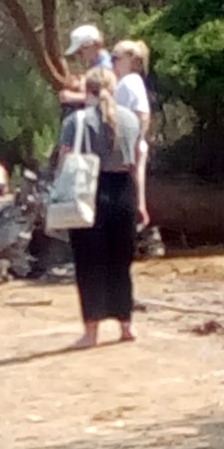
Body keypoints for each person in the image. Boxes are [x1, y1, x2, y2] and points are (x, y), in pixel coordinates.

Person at [55, 67, 145, 349]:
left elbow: (65, 160)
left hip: (88, 192)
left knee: (89, 262)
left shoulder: (75, 120)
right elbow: (134, 165)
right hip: (123, 192)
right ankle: (126, 325)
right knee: (121, 262)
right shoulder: (130, 120)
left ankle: (91, 331)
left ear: (88, 90)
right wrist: (141, 200)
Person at [112, 39, 151, 228]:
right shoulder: (126, 82)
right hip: (127, 146)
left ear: (129, 59)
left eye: (116, 58)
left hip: (131, 147)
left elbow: (143, 115)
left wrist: (135, 141)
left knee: (133, 193)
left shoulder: (130, 82)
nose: (113, 64)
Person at [60, 24, 114, 109]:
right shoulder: (96, 63)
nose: (79, 56)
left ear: (90, 45)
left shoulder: (105, 66)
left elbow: (103, 97)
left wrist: (72, 97)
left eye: (79, 52)